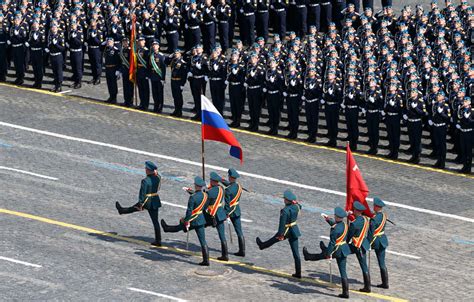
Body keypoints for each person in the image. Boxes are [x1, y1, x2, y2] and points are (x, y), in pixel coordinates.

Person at [303, 207, 351, 298]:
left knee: (322, 255)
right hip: (344, 249)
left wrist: (328, 254)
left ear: (337, 216)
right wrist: (328, 219)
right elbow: (337, 225)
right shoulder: (345, 225)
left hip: (336, 250)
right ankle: (346, 292)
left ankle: (308, 256)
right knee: (343, 271)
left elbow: (332, 243)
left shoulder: (334, 229)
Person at [161, 176, 210, 266]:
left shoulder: (193, 197)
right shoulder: (205, 195)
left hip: (193, 220)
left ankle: (166, 228)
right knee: (203, 241)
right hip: (201, 220)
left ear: (196, 185)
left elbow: (189, 211)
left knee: (180, 227)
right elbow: (205, 206)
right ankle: (206, 260)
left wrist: (186, 220)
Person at [256, 189, 302, 278]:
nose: (284, 200)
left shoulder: (285, 210)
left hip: (286, 230)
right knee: (296, 253)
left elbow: (282, 224)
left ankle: (262, 245)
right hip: (294, 230)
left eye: (284, 199)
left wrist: (281, 234)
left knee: (274, 239)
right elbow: (300, 206)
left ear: (287, 200)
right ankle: (298, 273)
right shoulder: (296, 207)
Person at [115, 161, 162, 246]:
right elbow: (158, 184)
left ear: (147, 170)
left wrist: (141, 204)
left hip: (146, 201)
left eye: (146, 168)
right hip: (155, 200)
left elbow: (142, 193)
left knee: (134, 208)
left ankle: (122, 211)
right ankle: (158, 240)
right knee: (155, 222)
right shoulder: (158, 178)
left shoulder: (145, 181)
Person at [347, 201, 371, 293]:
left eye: (354, 210)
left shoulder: (354, 224)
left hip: (357, 245)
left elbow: (350, 235)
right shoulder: (365, 219)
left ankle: (367, 287)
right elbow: (357, 219)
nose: (353, 211)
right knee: (364, 265)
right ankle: (367, 286)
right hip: (363, 243)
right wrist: (350, 215)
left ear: (357, 211)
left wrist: (345, 243)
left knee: (363, 266)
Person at [205, 172, 229, 261]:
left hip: (213, 214)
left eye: (211, 180)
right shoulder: (221, 188)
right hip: (220, 213)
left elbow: (206, 202)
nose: (210, 181)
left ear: (213, 181)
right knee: (222, 235)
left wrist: (205, 192)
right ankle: (225, 255)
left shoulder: (210, 192)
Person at [222, 168, 245, 257]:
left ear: (230, 177)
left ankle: (225, 253)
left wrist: (226, 214)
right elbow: (231, 186)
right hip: (237, 210)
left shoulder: (227, 190)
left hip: (230, 211)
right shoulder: (239, 186)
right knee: (239, 231)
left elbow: (227, 205)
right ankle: (242, 251)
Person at [368, 197, 389, 289]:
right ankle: (385, 283)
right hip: (383, 240)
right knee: (382, 263)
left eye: (374, 206)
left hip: (375, 241)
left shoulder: (374, 219)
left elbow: (371, 233)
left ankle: (366, 282)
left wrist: (367, 243)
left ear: (376, 207)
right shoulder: (384, 215)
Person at [167, 48, 188, 117]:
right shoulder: (173, 61)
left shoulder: (182, 63)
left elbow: (184, 75)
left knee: (179, 97)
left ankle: (179, 111)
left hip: (179, 81)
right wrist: (170, 56)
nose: (176, 55)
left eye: (177, 54)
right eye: (175, 53)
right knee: (174, 96)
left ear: (180, 54)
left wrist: (182, 84)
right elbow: (166, 62)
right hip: (173, 80)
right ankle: (176, 110)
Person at [148, 40, 166, 113]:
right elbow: (149, 66)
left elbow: (164, 68)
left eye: (156, 45)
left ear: (158, 46)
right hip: (153, 76)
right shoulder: (151, 56)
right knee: (154, 92)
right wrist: (149, 75)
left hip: (159, 76)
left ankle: (160, 107)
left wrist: (163, 78)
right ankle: (155, 106)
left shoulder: (161, 56)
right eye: (153, 45)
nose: (154, 46)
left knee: (160, 93)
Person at [47, 23, 65, 93]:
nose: (54, 29)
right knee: (54, 71)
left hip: (58, 56)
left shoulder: (60, 36)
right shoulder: (50, 36)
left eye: (55, 28)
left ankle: (59, 86)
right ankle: (56, 85)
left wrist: (56, 44)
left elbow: (62, 48)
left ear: (57, 29)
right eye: (52, 28)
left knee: (59, 71)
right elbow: (48, 45)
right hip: (52, 55)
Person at [103, 37, 121, 104]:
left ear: (113, 43)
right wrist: (103, 43)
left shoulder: (116, 50)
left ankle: (114, 98)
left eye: (110, 42)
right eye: (108, 42)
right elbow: (100, 47)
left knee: (113, 84)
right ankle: (111, 96)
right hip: (107, 68)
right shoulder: (106, 49)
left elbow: (119, 61)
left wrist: (118, 70)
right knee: (109, 83)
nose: (108, 43)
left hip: (113, 69)